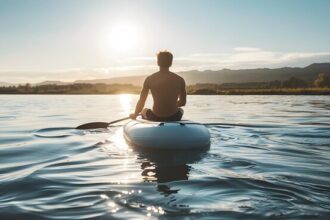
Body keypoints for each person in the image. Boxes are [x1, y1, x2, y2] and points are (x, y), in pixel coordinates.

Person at [129, 51, 186, 121]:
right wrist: (171, 104)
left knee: (144, 110)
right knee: (181, 110)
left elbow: (141, 102)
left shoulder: (149, 79)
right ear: (171, 63)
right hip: (174, 117)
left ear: (158, 62)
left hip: (155, 117)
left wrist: (135, 114)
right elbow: (183, 102)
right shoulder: (180, 80)